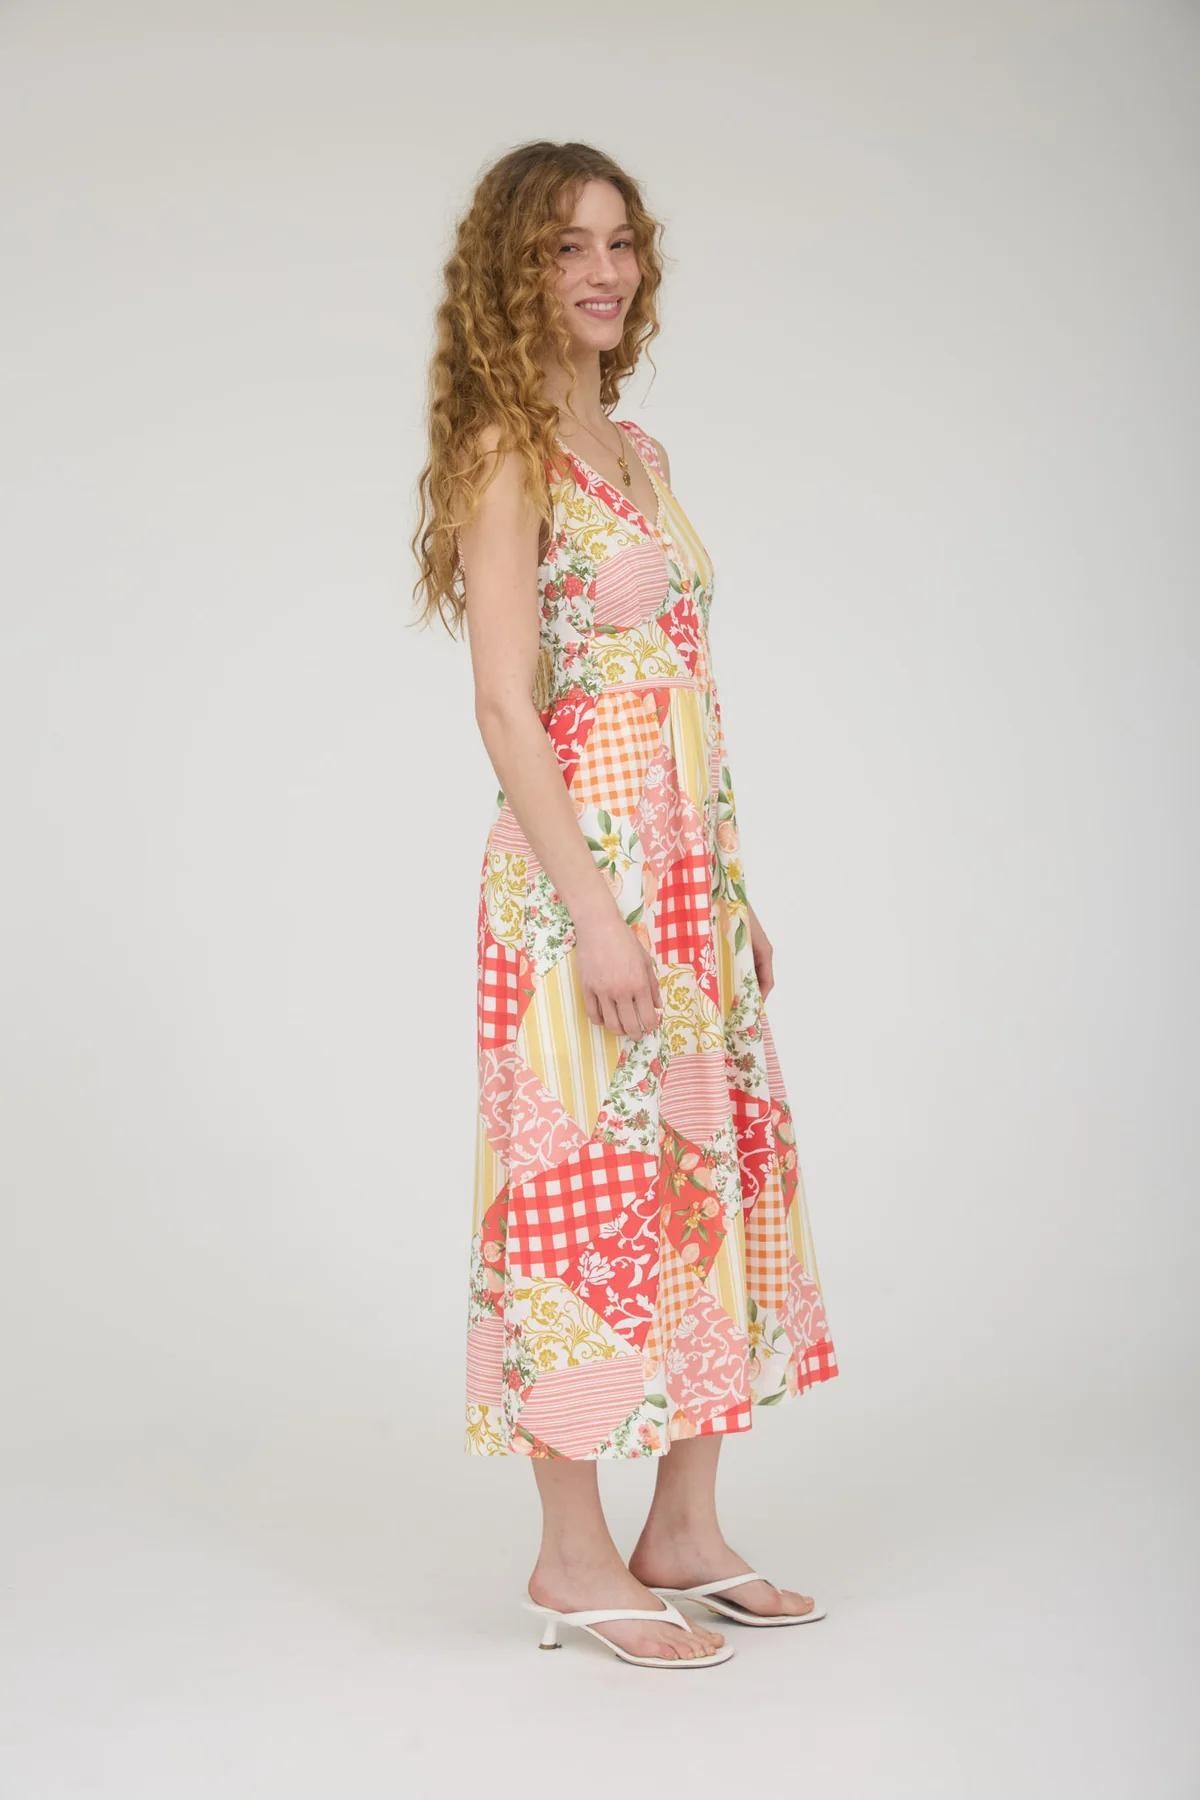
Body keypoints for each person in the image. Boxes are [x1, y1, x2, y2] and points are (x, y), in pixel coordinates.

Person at [411, 141, 839, 1670]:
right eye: (564, 249)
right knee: (578, 1203)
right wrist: (596, 914)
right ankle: (571, 1553)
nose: (602, 272)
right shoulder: (505, 450)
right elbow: (509, 710)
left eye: (620, 243)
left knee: (703, 1189)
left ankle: (685, 1529)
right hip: (574, 885)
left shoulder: (639, 451)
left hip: (679, 876)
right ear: (512, 276)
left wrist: (729, 889)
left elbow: (683, 686)